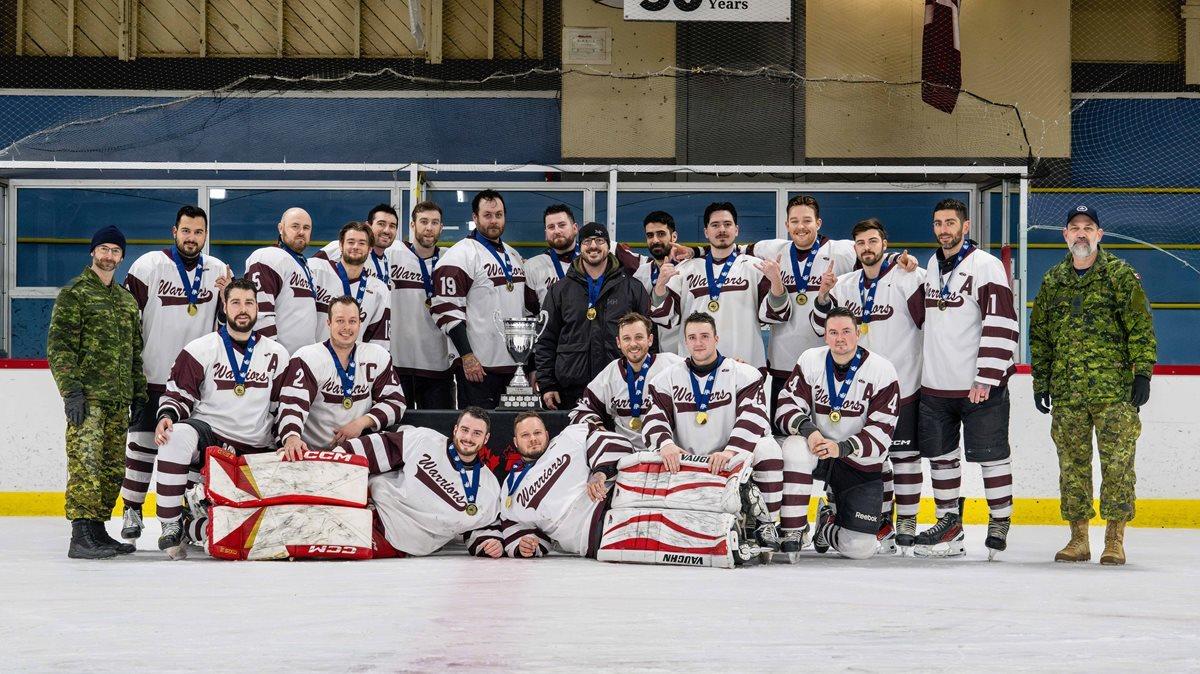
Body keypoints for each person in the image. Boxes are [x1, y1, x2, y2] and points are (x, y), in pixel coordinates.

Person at [1030, 205, 1156, 566]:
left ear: (1099, 234)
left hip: (1114, 392)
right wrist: (1041, 381)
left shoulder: (1119, 275)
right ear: (1065, 235)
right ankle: (1079, 539)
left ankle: (1114, 540)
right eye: (1075, 227)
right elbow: (1041, 336)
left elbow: (1141, 326)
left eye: (1088, 227)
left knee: (1118, 465)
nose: (1081, 233)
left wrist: (1143, 373)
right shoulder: (1053, 281)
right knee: (1072, 467)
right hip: (1068, 392)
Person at [118, 205, 233, 542]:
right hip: (151, 375)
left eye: (198, 232)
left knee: (186, 450)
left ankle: (183, 512)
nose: (191, 238)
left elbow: (228, 326)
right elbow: (127, 321)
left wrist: (226, 296)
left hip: (194, 384)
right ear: (174, 232)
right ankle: (132, 509)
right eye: (186, 231)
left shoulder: (219, 270)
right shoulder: (149, 265)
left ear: (206, 235)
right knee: (141, 447)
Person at [152, 279, 290, 559]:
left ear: (258, 308)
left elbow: (281, 408)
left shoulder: (277, 354)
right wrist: (167, 415)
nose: (243, 309)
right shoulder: (201, 348)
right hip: (211, 438)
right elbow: (179, 394)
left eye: (249, 303)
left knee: (253, 528)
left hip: (255, 449)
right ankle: (171, 522)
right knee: (174, 435)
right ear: (224, 307)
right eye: (235, 302)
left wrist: (285, 442)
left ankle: (194, 526)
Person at [811, 218, 926, 553]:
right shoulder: (846, 284)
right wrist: (823, 295)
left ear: (884, 244)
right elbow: (822, 329)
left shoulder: (907, 276)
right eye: (860, 243)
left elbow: (928, 321)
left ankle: (907, 521)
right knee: (868, 457)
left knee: (905, 457)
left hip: (903, 383)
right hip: (857, 390)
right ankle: (876, 519)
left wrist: (910, 268)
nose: (867, 248)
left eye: (873, 241)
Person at [912, 198, 1018, 559]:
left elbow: (1002, 322)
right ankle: (949, 525)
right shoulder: (932, 265)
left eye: (950, 223)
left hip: (978, 387)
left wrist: (986, 376)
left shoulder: (986, 265)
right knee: (941, 458)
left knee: (992, 456)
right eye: (938, 223)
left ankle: (1000, 520)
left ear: (965, 226)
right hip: (936, 385)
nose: (944, 230)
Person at [639, 312, 786, 550]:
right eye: (692, 337)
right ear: (685, 342)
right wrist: (665, 444)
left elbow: (754, 416)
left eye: (705, 336)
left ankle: (766, 522)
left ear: (716, 338)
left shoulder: (744, 373)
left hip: (732, 457)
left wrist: (730, 452)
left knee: (768, 448)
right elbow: (654, 416)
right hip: (687, 460)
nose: (698, 343)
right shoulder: (667, 378)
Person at [47, 225, 146, 559]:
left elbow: (134, 352)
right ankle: (80, 536)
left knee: (111, 469)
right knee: (86, 465)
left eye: (115, 251)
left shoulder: (126, 300)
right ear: (93, 252)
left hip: (119, 400)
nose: (109, 256)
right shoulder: (75, 294)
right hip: (88, 399)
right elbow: (59, 347)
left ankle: (98, 531)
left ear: (122, 256)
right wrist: (71, 392)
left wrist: (139, 395)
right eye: (104, 249)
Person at [775, 307, 901, 559]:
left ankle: (825, 525)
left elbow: (883, 433)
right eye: (833, 332)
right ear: (825, 335)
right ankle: (793, 530)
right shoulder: (810, 360)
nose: (840, 338)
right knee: (795, 446)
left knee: (860, 548)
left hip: (857, 462)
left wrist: (842, 447)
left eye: (846, 331)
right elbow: (785, 406)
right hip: (818, 451)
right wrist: (810, 431)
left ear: (858, 333)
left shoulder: (882, 370)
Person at [336, 408, 504, 558]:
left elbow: (483, 528)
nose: (468, 438)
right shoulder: (426, 439)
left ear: (486, 438)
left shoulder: (489, 488)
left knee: (331, 539)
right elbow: (378, 447)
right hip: (373, 504)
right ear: (455, 430)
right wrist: (337, 458)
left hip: (394, 540)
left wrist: (490, 543)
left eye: (476, 433)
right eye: (464, 430)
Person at [648, 202, 790, 368]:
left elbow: (777, 315)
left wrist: (776, 282)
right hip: (696, 368)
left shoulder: (756, 267)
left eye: (727, 224)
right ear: (706, 232)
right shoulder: (685, 269)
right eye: (715, 225)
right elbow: (664, 318)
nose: (722, 229)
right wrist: (660, 286)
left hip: (744, 365)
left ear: (736, 230)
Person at [744, 195, 857, 401]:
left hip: (828, 360)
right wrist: (695, 251)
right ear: (787, 224)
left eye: (807, 220)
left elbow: (873, 253)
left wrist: (901, 260)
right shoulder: (774, 250)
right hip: (783, 363)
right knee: (784, 420)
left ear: (818, 223)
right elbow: (733, 249)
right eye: (794, 221)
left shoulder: (841, 251)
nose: (801, 227)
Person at [432, 189, 538, 408]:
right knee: (479, 427)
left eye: (498, 215)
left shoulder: (513, 256)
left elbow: (527, 312)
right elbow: (447, 312)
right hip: (479, 368)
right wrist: (467, 355)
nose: (494, 221)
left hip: (515, 367)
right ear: (475, 217)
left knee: (515, 427)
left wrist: (530, 364)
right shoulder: (460, 255)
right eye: (487, 215)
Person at [534, 222, 651, 410]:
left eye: (599, 240)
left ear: (608, 246)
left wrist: (647, 378)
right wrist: (547, 384)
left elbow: (650, 337)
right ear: (580, 247)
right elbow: (545, 339)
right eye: (587, 241)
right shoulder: (560, 290)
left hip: (622, 385)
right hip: (571, 390)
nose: (593, 246)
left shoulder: (632, 288)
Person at [276, 296, 408, 455]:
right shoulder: (307, 358)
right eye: (340, 321)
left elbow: (395, 402)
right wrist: (292, 437)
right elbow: (293, 404)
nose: (346, 327)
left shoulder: (377, 356)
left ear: (359, 323)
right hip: (312, 453)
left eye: (352, 321)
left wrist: (361, 423)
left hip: (358, 451)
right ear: (329, 323)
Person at [495, 414, 634, 557]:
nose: (533, 439)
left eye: (537, 433)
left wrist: (600, 473)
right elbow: (515, 526)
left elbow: (615, 442)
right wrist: (525, 545)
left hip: (613, 500)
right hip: (594, 539)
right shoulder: (510, 487)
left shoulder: (568, 438)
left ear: (546, 434)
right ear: (516, 441)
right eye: (525, 435)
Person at [570, 312, 684, 449]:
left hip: (665, 451)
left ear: (650, 339)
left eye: (639, 337)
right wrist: (599, 431)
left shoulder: (671, 364)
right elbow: (581, 410)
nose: (633, 344)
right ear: (618, 342)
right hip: (624, 453)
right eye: (626, 339)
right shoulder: (610, 373)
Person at [391, 201, 457, 409]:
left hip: (438, 364)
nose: (429, 227)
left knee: (438, 425)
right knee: (397, 426)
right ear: (412, 225)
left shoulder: (451, 258)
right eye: (424, 222)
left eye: (435, 222)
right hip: (398, 363)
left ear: (441, 227)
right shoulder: (394, 254)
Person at [245, 207, 319, 353]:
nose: (301, 232)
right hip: (278, 359)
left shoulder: (307, 268)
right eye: (295, 226)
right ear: (281, 228)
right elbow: (260, 313)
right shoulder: (268, 257)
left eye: (306, 228)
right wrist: (269, 355)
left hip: (302, 359)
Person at [311, 221, 390, 349]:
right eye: (351, 242)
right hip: (314, 356)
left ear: (370, 249)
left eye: (362, 243)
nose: (356, 247)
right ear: (341, 245)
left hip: (353, 360)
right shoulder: (317, 272)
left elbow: (378, 342)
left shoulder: (379, 290)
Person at [619, 211, 686, 354]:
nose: (655, 240)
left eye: (661, 234)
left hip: (682, 353)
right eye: (650, 235)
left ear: (674, 236)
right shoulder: (641, 273)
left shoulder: (688, 269)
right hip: (648, 354)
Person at [524, 204, 580, 304]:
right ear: (546, 234)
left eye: (562, 225)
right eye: (551, 227)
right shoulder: (532, 266)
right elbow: (531, 310)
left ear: (575, 228)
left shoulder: (592, 260)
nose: (557, 231)